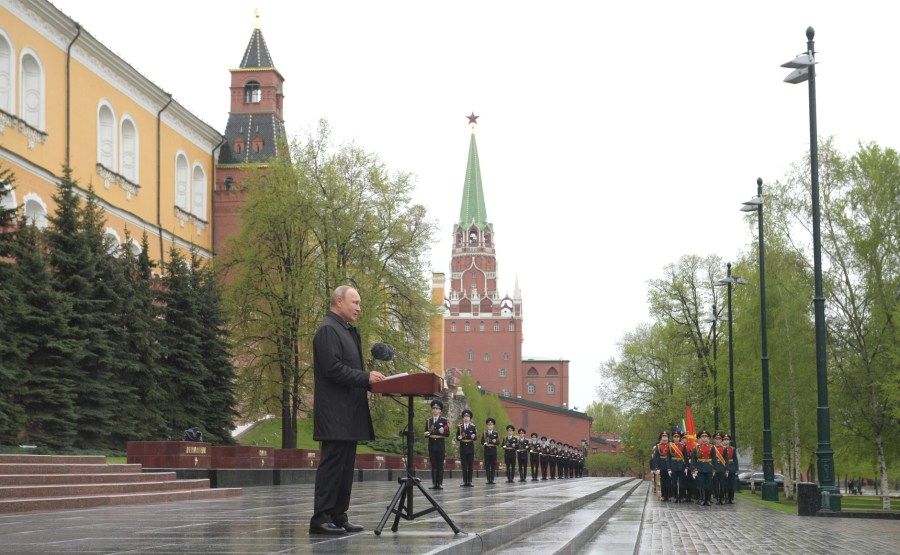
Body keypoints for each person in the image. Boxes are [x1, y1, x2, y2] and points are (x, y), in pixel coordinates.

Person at [309, 285, 385, 536]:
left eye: (360, 303)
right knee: (333, 466)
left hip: (349, 412)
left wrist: (367, 379)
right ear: (338, 302)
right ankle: (321, 517)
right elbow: (332, 368)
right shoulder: (328, 330)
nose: (358, 308)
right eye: (355, 302)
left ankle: (338, 515)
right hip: (334, 412)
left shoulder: (345, 331)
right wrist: (365, 377)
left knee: (345, 467)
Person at [425, 399, 450, 489]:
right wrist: (427, 434)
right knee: (433, 464)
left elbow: (448, 434)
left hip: (440, 445)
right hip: (431, 444)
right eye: (434, 408)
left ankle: (439, 483)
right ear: (432, 410)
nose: (435, 410)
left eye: (437, 408)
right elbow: (426, 433)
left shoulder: (444, 421)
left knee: (440, 464)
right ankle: (434, 483)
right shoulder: (428, 421)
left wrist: (443, 432)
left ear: (440, 410)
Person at [691, 430, 715, 506]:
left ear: (709, 439)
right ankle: (702, 499)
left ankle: (708, 499)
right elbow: (693, 459)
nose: (704, 439)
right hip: (700, 468)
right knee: (701, 485)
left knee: (708, 485)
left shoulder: (712, 447)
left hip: (709, 468)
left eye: (706, 437)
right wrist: (693, 469)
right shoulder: (696, 448)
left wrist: (714, 469)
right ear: (699, 439)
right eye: (702, 437)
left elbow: (714, 458)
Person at [456, 409, 477, 487]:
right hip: (463, 447)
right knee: (464, 465)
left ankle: (470, 481)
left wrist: (474, 437)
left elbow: (475, 438)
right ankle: (465, 481)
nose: (466, 418)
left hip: (470, 447)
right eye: (465, 416)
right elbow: (457, 437)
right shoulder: (460, 427)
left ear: (470, 418)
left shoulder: (473, 427)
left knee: (470, 465)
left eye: (467, 416)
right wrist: (459, 437)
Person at [651, 431, 672, 501]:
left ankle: (668, 495)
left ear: (668, 438)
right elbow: (656, 458)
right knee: (663, 481)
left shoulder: (671, 445)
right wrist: (656, 467)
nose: (665, 438)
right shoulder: (658, 446)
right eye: (663, 436)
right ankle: (663, 495)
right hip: (662, 465)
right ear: (661, 438)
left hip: (670, 466)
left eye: (666, 436)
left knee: (669, 481)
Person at [668, 430, 687, 503]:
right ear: (673, 438)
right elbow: (668, 458)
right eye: (675, 437)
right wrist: (669, 468)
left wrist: (686, 467)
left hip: (681, 466)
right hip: (673, 466)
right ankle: (675, 496)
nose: (676, 438)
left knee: (682, 483)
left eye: (678, 437)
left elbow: (685, 457)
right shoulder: (670, 446)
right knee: (674, 483)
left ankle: (681, 496)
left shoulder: (683, 446)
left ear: (680, 438)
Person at [481, 417, 499, 484]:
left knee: (493, 465)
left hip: (493, 451)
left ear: (493, 426)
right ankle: (488, 479)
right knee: (487, 465)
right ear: (487, 425)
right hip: (487, 451)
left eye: (491, 425)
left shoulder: (496, 433)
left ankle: (492, 479)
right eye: (489, 425)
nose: (490, 426)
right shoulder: (485, 433)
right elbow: (482, 442)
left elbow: (498, 442)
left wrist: (495, 441)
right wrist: (484, 443)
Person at [723, 434, 738, 504]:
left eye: (727, 440)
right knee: (725, 484)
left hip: (731, 467)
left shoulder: (732, 449)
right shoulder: (721, 448)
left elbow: (735, 459)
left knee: (731, 485)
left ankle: (731, 498)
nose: (726, 441)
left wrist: (736, 469)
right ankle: (725, 497)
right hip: (724, 467)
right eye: (725, 440)